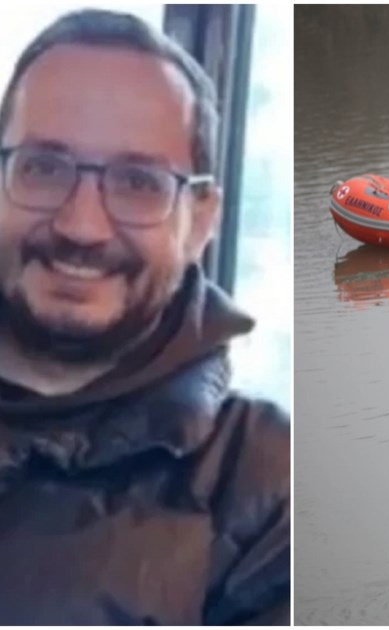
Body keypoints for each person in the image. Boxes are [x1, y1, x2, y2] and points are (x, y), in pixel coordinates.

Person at [0, 9, 288, 624]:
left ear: (201, 221)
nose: (81, 226)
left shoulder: (270, 492)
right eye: (43, 168)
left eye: (138, 182)